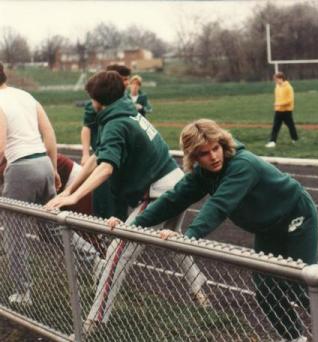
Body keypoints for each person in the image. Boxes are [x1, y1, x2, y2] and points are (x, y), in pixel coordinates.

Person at [107, 119, 318, 342]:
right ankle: (295, 338)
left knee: (299, 279)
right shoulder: (202, 174)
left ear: (223, 144)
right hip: (266, 227)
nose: (213, 157)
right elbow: (172, 200)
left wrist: (188, 238)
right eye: (204, 153)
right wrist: (130, 226)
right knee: (266, 289)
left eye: (216, 148)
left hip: (295, 216)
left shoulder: (242, 165)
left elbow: (219, 205)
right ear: (194, 157)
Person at [45, 70, 207, 334]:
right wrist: (69, 191)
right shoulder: (127, 113)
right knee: (174, 241)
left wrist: (73, 196)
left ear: (97, 100)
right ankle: (200, 292)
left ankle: (93, 322)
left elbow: (106, 167)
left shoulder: (115, 122)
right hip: (175, 182)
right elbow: (97, 157)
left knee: (117, 253)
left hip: (160, 191)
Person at [0, 61, 60, 305]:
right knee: (53, 227)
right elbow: (50, 135)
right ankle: (95, 261)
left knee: (14, 234)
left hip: (21, 168)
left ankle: (23, 293)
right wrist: (54, 169)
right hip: (43, 163)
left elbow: (1, 147)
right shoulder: (26, 95)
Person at [80, 64, 131, 220]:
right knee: (102, 197)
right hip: (104, 156)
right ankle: (102, 231)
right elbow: (86, 128)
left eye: (127, 79)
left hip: (119, 159)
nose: (127, 83)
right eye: (123, 79)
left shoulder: (124, 103)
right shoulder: (97, 103)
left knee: (119, 201)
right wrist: (85, 153)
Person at [265, 71, 298, 148]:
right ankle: (272, 141)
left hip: (287, 111)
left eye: (276, 79)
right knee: (276, 126)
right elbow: (277, 98)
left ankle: (295, 139)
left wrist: (279, 104)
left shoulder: (289, 87)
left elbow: (290, 100)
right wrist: (277, 106)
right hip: (278, 110)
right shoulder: (277, 87)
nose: (275, 81)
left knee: (290, 125)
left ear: (281, 79)